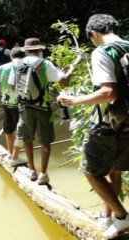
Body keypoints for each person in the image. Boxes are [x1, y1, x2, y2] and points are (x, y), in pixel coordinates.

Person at [57, 14, 129, 238]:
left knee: (91, 171)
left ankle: (123, 217)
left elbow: (109, 92)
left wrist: (73, 100)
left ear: (93, 33)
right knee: (115, 171)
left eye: (91, 38)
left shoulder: (103, 51)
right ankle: (108, 219)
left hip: (107, 123)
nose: (93, 42)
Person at [8, 38, 81, 185]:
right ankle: (43, 174)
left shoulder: (17, 64)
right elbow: (64, 81)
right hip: (43, 108)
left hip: (24, 107)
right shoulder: (45, 64)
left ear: (26, 50)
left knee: (27, 138)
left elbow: (12, 87)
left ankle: (32, 170)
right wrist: (75, 64)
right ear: (40, 50)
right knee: (45, 141)